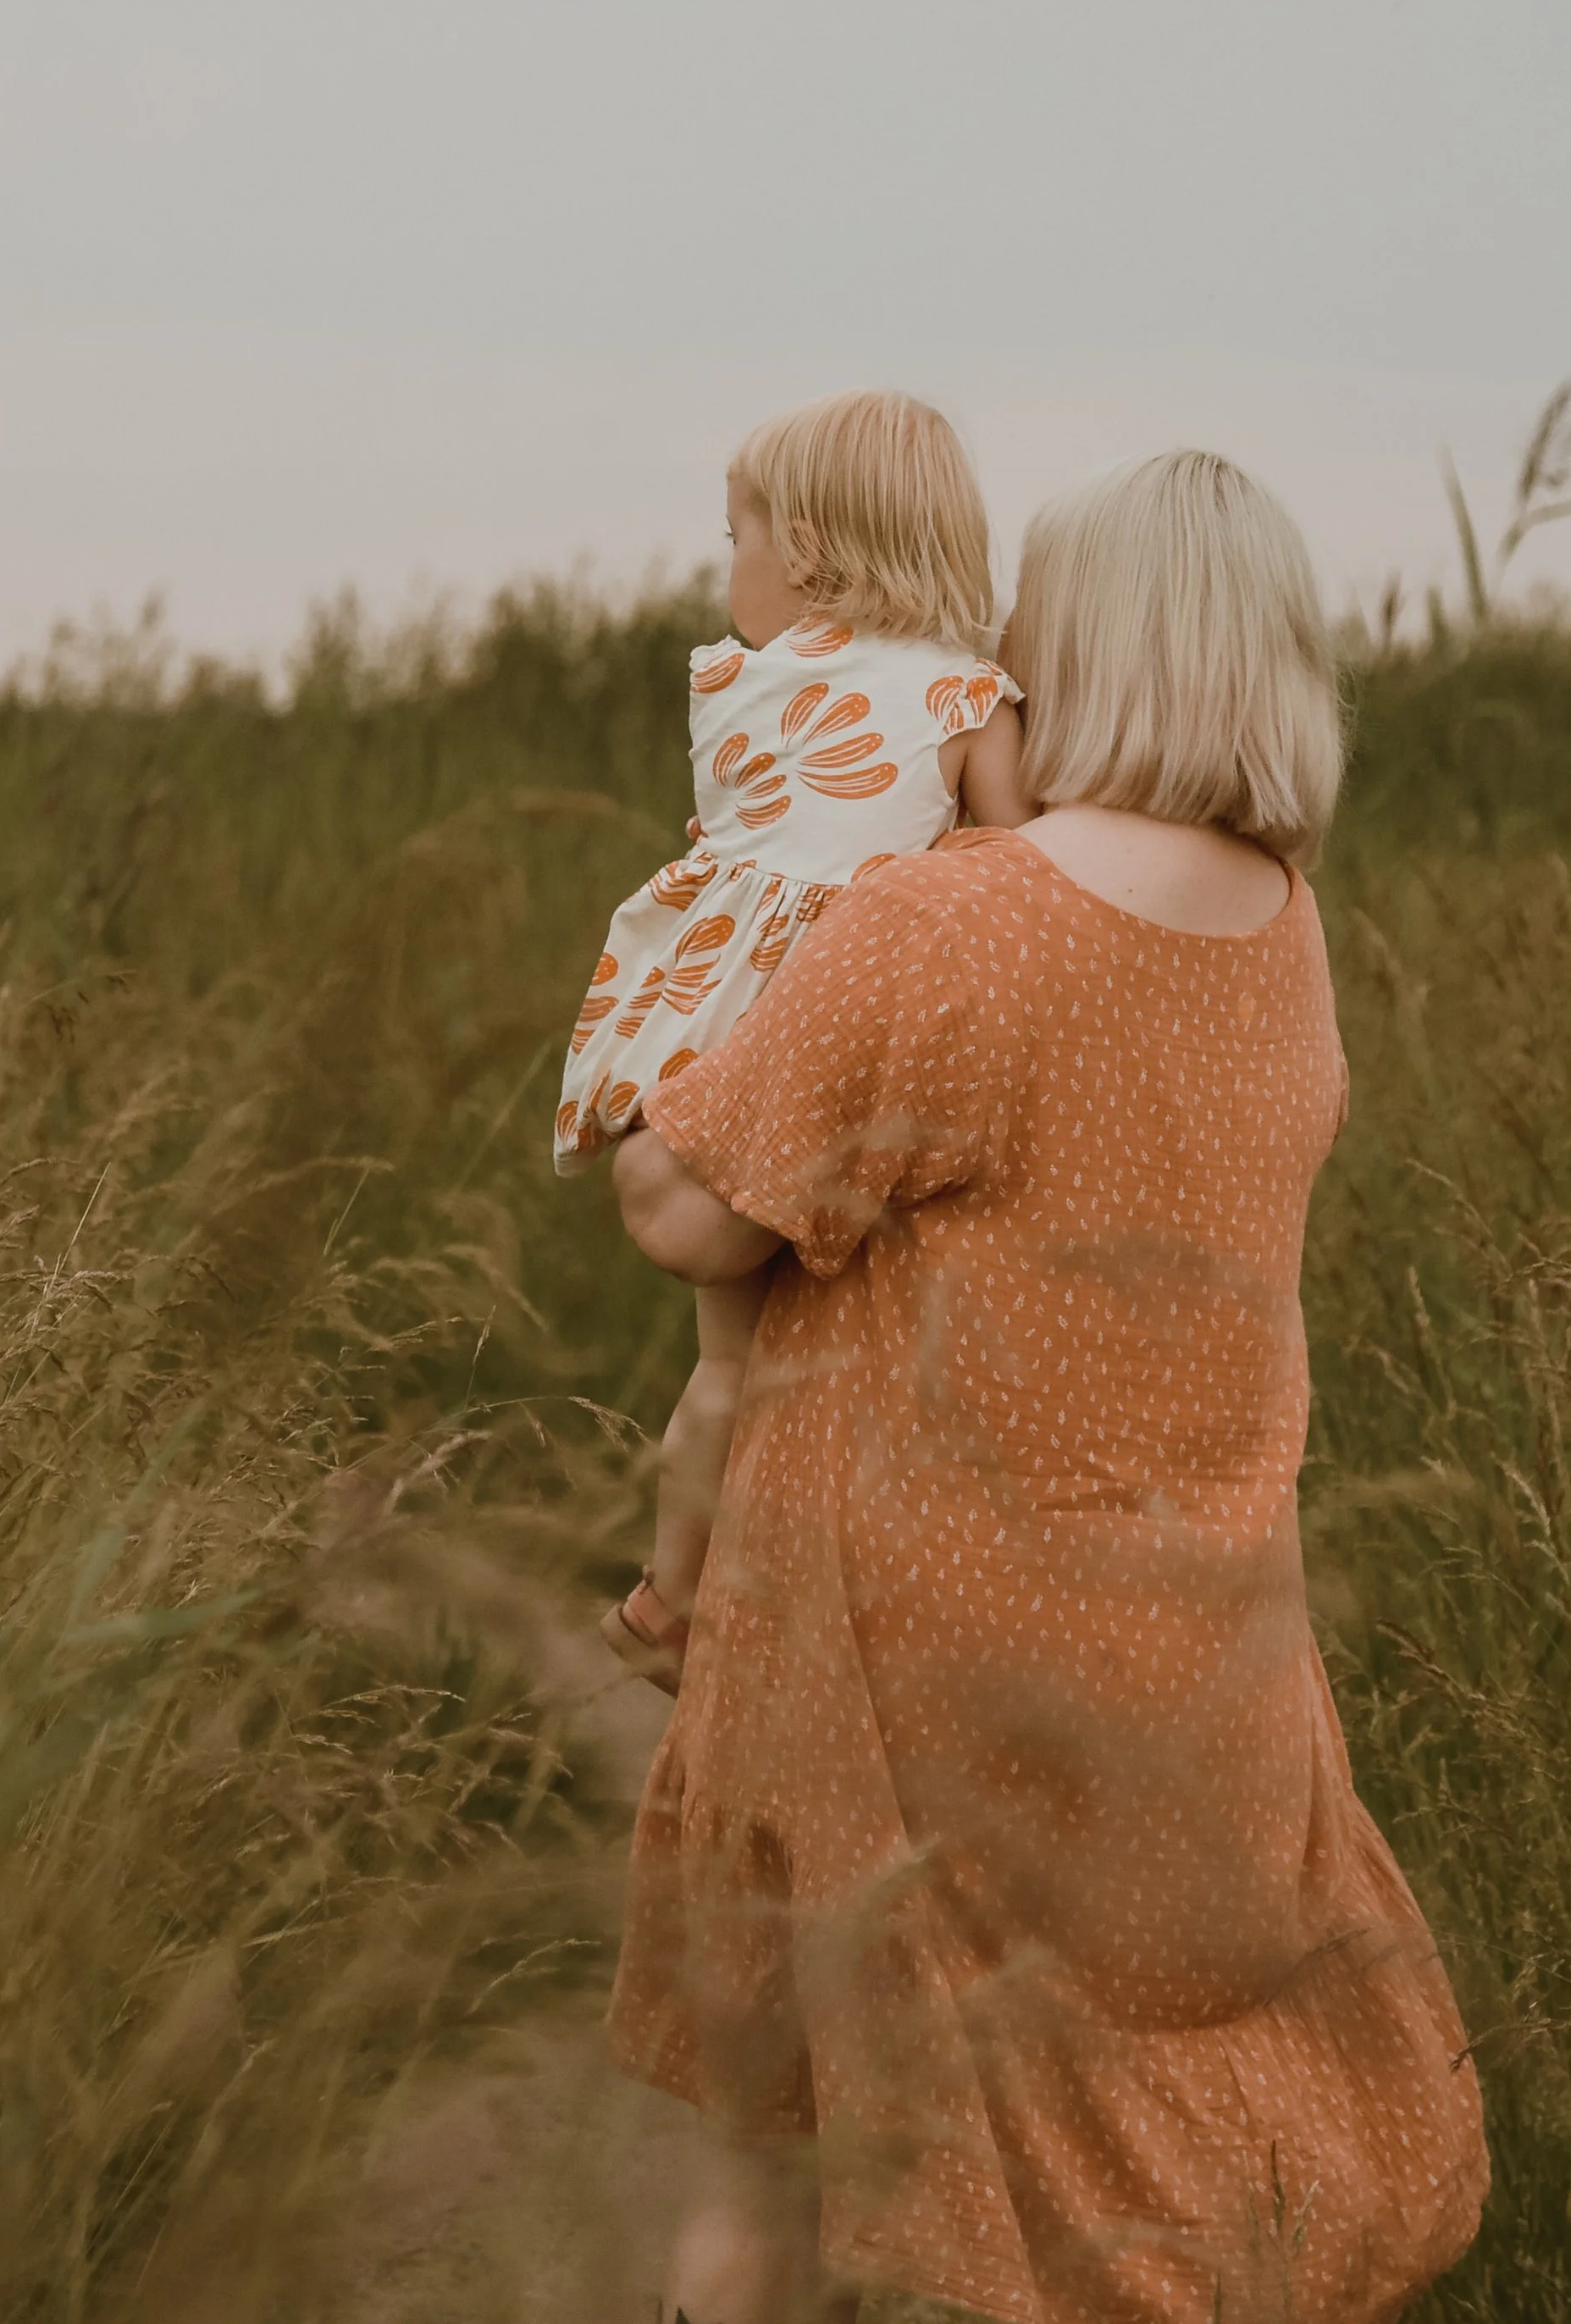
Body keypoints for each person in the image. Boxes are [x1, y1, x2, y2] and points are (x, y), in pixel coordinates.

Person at [606, 451, 1488, 2324]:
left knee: (776, 2169)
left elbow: (684, 1208)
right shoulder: (1282, 930)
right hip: (1201, 1645)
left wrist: (714, 986)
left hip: (895, 1650)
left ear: (1069, 649)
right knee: (1160, 2167)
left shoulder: (957, 921)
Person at [555, 388, 1033, 1691]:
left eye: (735, 539)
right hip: (843, 1042)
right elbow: (1020, 876)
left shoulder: (738, 683)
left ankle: (668, 1600)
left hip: (719, 1035)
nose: (727, 574)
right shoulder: (966, 697)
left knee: (727, 1363)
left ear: (810, 551)